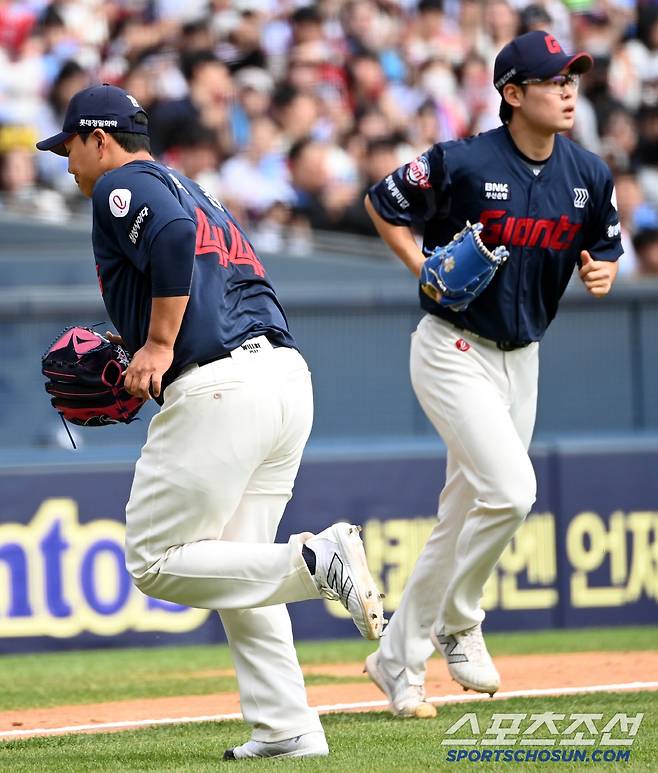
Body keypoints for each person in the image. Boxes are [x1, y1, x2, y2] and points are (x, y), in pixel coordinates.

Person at [36, 84, 384, 760]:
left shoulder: (123, 184)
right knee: (237, 568)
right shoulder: (194, 188)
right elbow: (212, 269)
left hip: (220, 387)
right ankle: (287, 726)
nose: (67, 163)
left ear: (98, 138)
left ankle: (319, 560)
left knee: (155, 558)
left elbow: (169, 238)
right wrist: (145, 333)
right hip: (282, 377)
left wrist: (160, 343)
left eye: (70, 147)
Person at [364, 30, 621, 718]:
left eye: (573, 78)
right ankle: (461, 615)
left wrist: (602, 269)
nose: (568, 90)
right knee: (509, 492)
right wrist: (422, 269)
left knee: (461, 515)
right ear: (512, 94)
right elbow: (382, 202)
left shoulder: (589, 174)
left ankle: (398, 660)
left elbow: (605, 243)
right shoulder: (465, 160)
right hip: (452, 346)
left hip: (523, 359)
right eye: (552, 80)